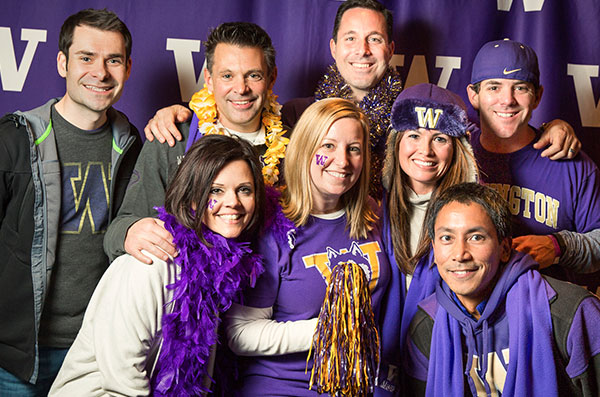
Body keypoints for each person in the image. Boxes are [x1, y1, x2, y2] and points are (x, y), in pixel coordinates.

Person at [49, 135, 266, 395]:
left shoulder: (217, 269)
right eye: (215, 190)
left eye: (244, 189)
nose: (233, 202)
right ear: (192, 196)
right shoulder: (151, 263)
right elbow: (123, 381)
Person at [0, 9, 141, 395]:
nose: (100, 72)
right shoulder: (14, 139)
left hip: (94, 349)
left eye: (113, 60)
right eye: (86, 58)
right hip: (15, 356)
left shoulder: (132, 146)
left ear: (128, 68)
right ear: (62, 62)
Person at [223, 98, 391, 396]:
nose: (342, 161)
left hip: (357, 387)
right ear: (305, 148)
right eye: (328, 146)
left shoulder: (372, 213)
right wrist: (332, 329)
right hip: (282, 387)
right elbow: (241, 334)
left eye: (354, 149)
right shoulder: (272, 226)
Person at [103, 21, 288, 265]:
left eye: (254, 76)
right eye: (227, 76)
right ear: (209, 80)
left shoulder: (292, 148)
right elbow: (119, 227)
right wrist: (130, 232)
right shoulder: (172, 138)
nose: (241, 88)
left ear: (271, 78)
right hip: (187, 297)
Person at [405, 182, 600, 396]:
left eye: (476, 237)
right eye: (447, 238)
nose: (460, 254)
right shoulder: (426, 326)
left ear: (505, 249)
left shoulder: (572, 313)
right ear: (434, 248)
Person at [467, 39, 600, 292]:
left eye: (520, 88)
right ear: (474, 95)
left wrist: (558, 246)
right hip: (471, 318)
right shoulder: (455, 155)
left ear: (537, 96)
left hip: (548, 316)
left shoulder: (571, 162)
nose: (507, 100)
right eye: (494, 87)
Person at [376, 83, 477, 394]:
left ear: (456, 148)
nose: (426, 150)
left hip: (444, 365)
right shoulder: (371, 206)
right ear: (396, 142)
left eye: (440, 139)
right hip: (375, 366)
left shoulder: (472, 213)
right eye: (414, 135)